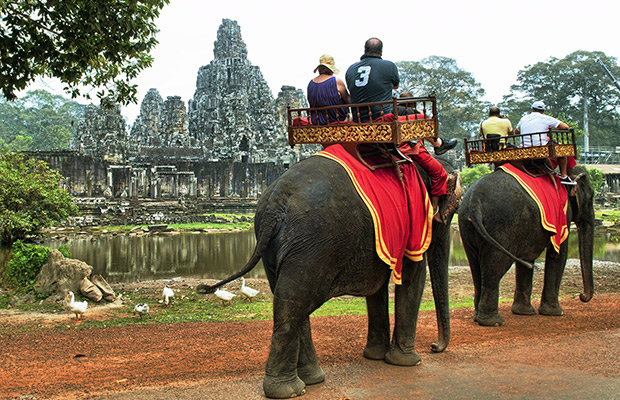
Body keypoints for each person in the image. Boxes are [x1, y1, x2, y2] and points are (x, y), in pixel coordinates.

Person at [345, 38, 456, 155]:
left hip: (358, 118)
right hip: (383, 116)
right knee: (420, 116)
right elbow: (395, 86)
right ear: (381, 52)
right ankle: (438, 144)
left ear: (364, 50)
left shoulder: (350, 69)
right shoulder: (389, 66)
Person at [515, 101, 576, 185]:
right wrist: (550, 130)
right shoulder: (545, 118)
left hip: (524, 148)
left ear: (532, 109)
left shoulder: (524, 118)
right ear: (543, 111)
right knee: (562, 150)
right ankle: (564, 176)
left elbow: (517, 132)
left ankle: (553, 172)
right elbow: (565, 127)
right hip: (541, 149)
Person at [307, 54, 350, 125]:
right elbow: (348, 100)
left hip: (317, 121)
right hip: (336, 120)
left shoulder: (311, 83)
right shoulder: (336, 81)